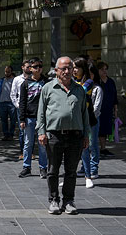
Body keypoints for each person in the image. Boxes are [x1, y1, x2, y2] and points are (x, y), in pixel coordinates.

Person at [37, 56, 90, 215]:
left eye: (70, 68)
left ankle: (68, 200)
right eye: (63, 69)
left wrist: (86, 135)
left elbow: (84, 114)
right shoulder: (48, 88)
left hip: (75, 136)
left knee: (71, 171)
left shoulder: (79, 89)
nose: (67, 71)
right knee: (52, 170)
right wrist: (41, 132)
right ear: (56, 71)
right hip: (54, 135)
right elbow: (41, 113)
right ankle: (53, 200)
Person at [74, 58, 103, 188]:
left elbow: (79, 92)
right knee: (78, 149)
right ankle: (80, 173)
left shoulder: (89, 83)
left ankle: (90, 173)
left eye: (76, 67)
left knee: (89, 146)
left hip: (88, 120)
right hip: (75, 119)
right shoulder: (74, 82)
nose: (73, 70)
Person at [18, 57, 49, 179]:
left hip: (43, 118)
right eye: (36, 66)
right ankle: (26, 167)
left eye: (40, 66)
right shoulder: (25, 83)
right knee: (28, 143)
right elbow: (22, 102)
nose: (39, 69)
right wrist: (21, 119)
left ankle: (43, 168)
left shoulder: (46, 82)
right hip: (29, 117)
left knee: (42, 143)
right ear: (30, 68)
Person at [96, 62, 118, 156]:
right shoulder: (96, 82)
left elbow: (115, 97)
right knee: (97, 129)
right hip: (98, 110)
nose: (104, 71)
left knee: (105, 129)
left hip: (108, 109)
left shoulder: (111, 81)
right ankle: (93, 148)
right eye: (102, 69)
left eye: (105, 69)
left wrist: (115, 110)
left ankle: (103, 148)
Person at [11, 59, 31, 158]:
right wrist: (18, 106)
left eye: (30, 67)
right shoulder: (17, 79)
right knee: (22, 131)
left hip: (32, 108)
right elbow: (13, 94)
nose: (29, 68)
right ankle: (23, 152)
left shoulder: (34, 79)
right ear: (22, 67)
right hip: (21, 108)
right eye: (27, 66)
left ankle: (30, 152)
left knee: (32, 131)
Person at [0, 66, 16, 140]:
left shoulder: (14, 80)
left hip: (11, 103)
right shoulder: (2, 80)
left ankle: (11, 134)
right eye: (5, 71)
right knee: (3, 120)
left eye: (8, 71)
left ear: (11, 72)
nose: (6, 73)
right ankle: (5, 134)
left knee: (13, 120)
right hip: (2, 102)